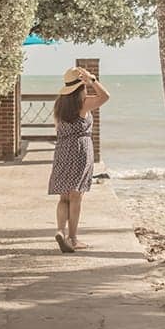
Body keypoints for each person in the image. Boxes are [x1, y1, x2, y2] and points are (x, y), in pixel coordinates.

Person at [48, 66, 110, 253]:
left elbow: (57, 128)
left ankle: (60, 230)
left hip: (62, 149)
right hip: (79, 150)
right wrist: (92, 80)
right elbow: (105, 96)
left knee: (63, 197)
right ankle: (73, 239)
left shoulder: (59, 104)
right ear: (80, 86)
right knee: (76, 196)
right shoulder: (82, 104)